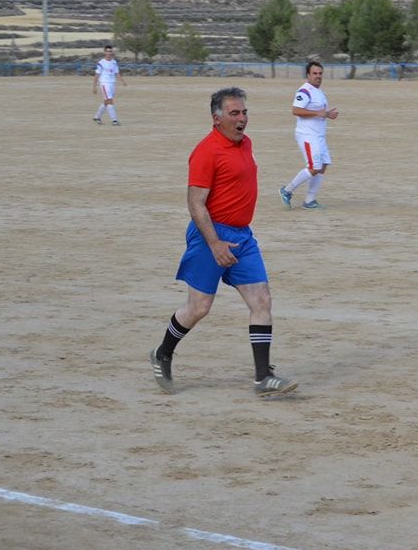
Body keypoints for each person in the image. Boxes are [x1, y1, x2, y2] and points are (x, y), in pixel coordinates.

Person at [149, 87, 297, 397]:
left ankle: (262, 377)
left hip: (242, 236)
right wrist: (215, 243)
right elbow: (196, 204)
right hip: (210, 236)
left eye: (244, 112)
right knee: (199, 307)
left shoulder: (246, 143)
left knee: (262, 300)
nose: (242, 118)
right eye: (234, 113)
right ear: (217, 119)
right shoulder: (206, 151)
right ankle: (163, 353)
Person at [279, 61, 339, 210]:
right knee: (314, 167)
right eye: (314, 73)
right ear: (308, 75)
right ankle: (287, 190)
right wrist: (318, 113)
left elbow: (320, 112)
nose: (318, 76)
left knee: (323, 165)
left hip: (319, 135)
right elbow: (296, 110)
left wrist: (327, 114)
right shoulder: (304, 91)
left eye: (320, 73)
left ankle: (309, 200)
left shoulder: (319, 92)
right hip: (307, 135)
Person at [92, 45, 126, 126]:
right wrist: (94, 87)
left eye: (110, 51)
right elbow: (96, 75)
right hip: (104, 83)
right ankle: (114, 120)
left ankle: (97, 117)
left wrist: (122, 81)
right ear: (105, 52)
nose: (109, 53)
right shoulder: (101, 63)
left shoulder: (114, 62)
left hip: (112, 83)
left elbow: (117, 73)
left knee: (106, 101)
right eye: (107, 51)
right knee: (110, 101)